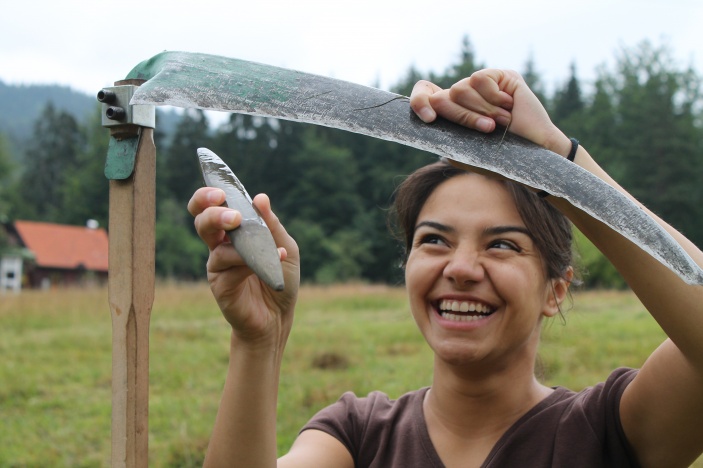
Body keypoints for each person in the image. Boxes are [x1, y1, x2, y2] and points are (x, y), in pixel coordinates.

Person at [188, 69, 703, 467]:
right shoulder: (357, 437)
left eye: (502, 245)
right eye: (434, 240)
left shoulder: (602, 434)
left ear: (556, 289)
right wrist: (258, 342)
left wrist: (556, 159)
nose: (460, 268)